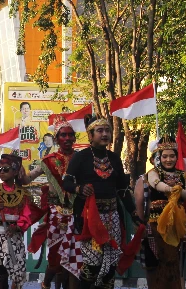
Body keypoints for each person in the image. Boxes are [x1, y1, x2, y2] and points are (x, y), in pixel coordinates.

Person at [62, 115, 142, 289]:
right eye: (100, 131)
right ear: (90, 135)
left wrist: (133, 213)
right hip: (89, 218)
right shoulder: (81, 157)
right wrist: (79, 189)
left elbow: (122, 189)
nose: (104, 134)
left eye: (107, 130)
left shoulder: (114, 158)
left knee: (110, 266)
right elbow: (66, 182)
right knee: (92, 265)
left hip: (112, 217)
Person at [22, 120, 77, 289]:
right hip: (57, 214)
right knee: (55, 255)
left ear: (74, 138)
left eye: (70, 135)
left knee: (74, 255)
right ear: (56, 139)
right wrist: (17, 169)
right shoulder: (48, 161)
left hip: (78, 213)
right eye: (63, 135)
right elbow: (26, 179)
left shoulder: (81, 159)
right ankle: (46, 284)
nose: (67, 138)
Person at [135, 137, 186, 288]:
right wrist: (170, 189)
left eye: (172, 156)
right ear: (159, 157)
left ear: (177, 157)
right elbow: (156, 184)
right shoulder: (154, 173)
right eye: (165, 156)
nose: (168, 159)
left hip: (177, 226)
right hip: (156, 227)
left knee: (174, 265)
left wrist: (179, 191)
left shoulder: (183, 175)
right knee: (156, 266)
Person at [0, 154, 39, 289]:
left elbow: (28, 216)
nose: (1, 172)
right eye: (0, 169)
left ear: (15, 171)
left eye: (5, 169)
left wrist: (17, 227)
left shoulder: (24, 194)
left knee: (17, 276)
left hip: (15, 236)